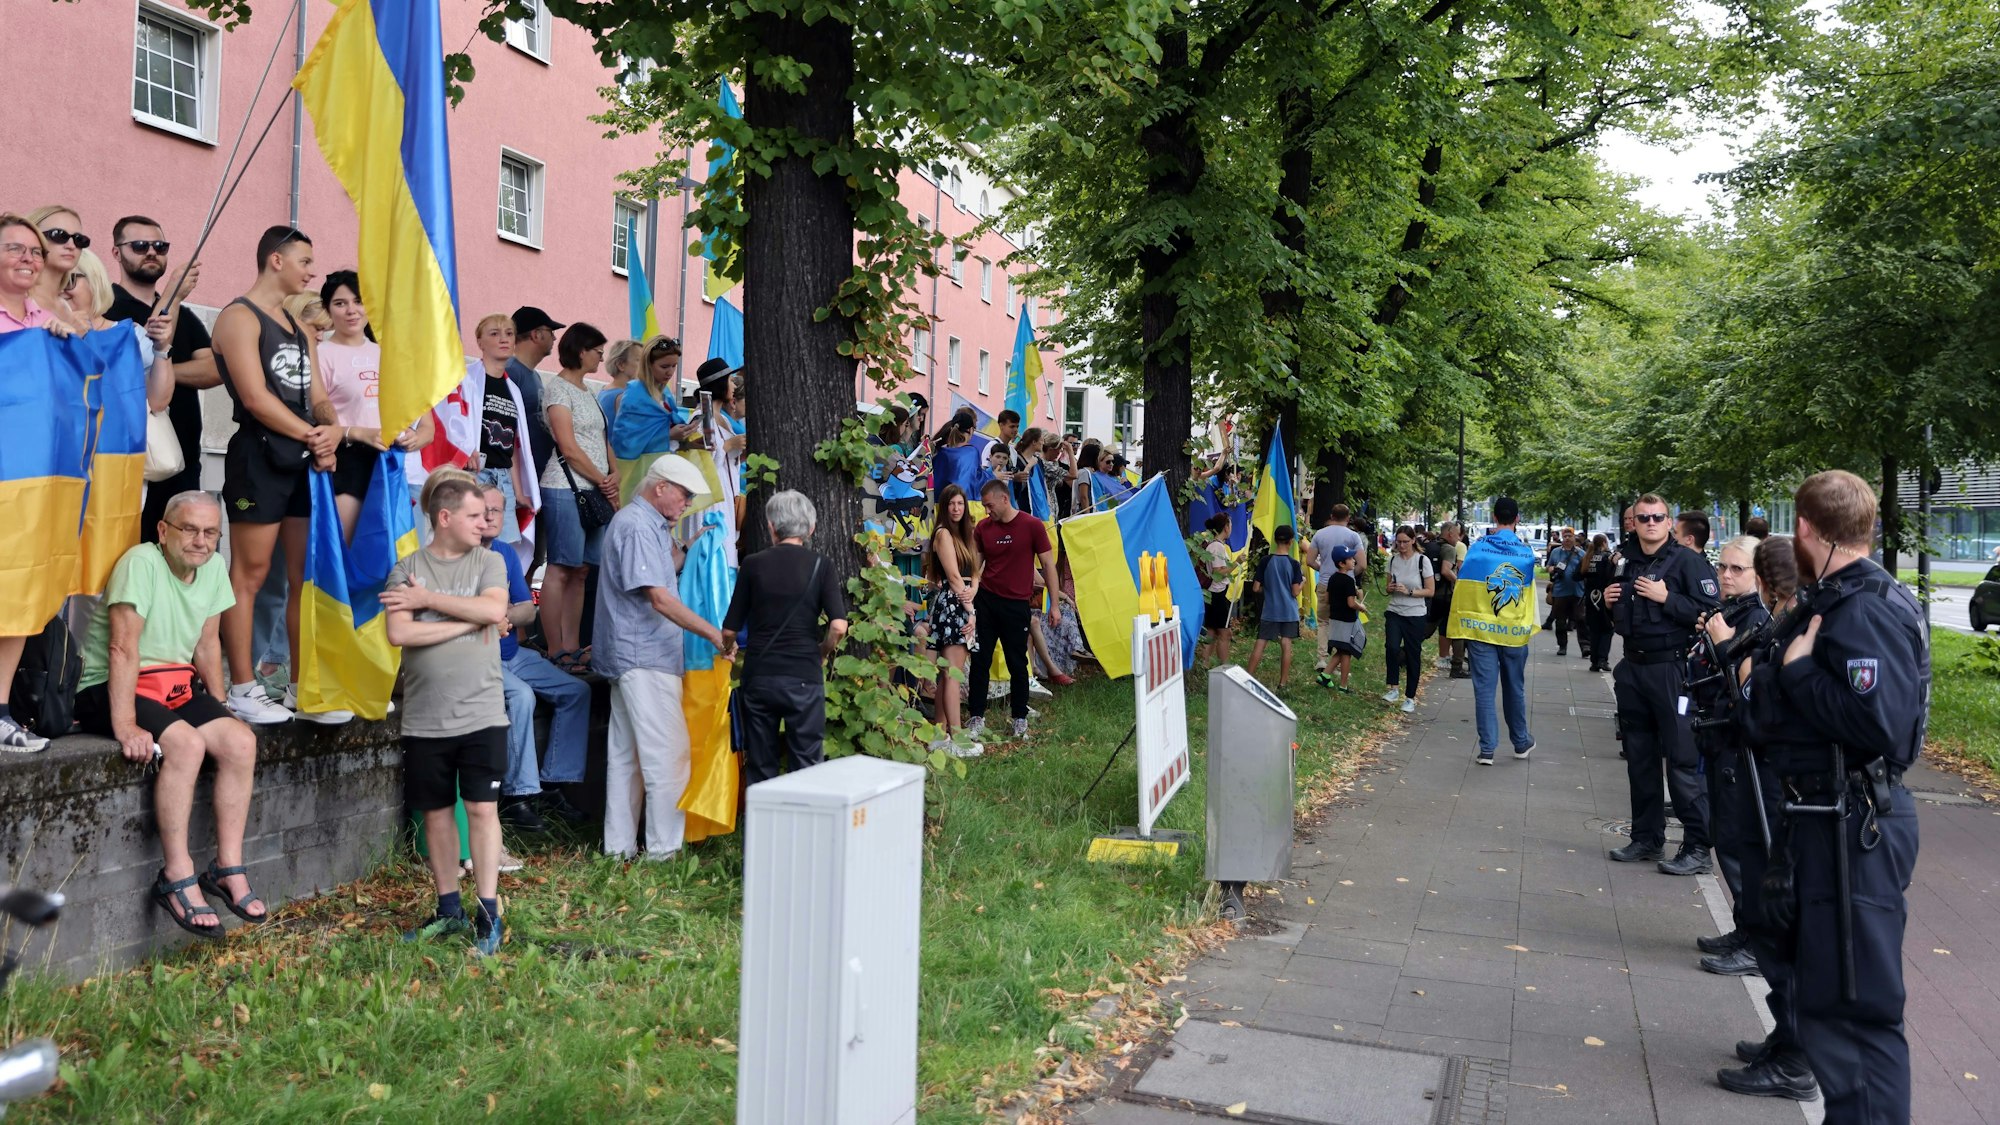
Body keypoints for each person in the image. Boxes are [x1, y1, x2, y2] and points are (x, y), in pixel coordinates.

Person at [1730, 472, 1926, 1119]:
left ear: (1808, 529)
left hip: (1855, 825)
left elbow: (1883, 726)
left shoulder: (1865, 605)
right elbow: (1768, 714)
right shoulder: (1831, 598)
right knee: (1822, 997)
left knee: (1854, 1009)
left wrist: (1799, 672)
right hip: (1821, 820)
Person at [74, 491, 266, 938]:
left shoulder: (213, 568)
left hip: (174, 686)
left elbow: (206, 646)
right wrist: (125, 726)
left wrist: (219, 709)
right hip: (111, 685)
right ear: (163, 531)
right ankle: (176, 876)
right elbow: (122, 647)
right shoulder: (141, 563)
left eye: (211, 533)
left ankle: (226, 867)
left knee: (240, 741)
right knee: (186, 743)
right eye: (190, 529)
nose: (201, 541)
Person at [210, 227, 342, 726]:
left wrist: (328, 431)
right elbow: (255, 398)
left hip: (301, 458)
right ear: (275, 260)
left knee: (302, 578)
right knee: (248, 573)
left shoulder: (299, 324)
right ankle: (242, 686)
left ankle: (299, 689)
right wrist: (314, 438)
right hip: (259, 457)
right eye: (305, 261)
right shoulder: (238, 317)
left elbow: (316, 396)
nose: (312, 271)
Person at [384, 476, 512, 956]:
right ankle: (447, 909)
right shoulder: (405, 568)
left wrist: (429, 603)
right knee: (436, 815)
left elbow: (495, 606)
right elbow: (400, 634)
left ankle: (487, 912)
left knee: (481, 809)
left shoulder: (491, 561)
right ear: (445, 518)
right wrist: (469, 620)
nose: (486, 523)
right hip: (425, 718)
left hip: (482, 713)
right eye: (477, 516)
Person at [594, 455, 728, 860]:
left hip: (634, 654)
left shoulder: (641, 523)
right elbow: (659, 597)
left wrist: (690, 543)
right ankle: (663, 852)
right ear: (661, 488)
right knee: (668, 756)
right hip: (645, 655)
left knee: (627, 759)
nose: (687, 504)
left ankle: (618, 849)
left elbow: (660, 571)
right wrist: (711, 632)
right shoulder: (637, 526)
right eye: (685, 495)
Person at [1604, 494, 1719, 873]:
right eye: (1643, 517)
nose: (1651, 523)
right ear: (1633, 522)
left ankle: (1697, 847)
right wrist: (1602, 600)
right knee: (1639, 758)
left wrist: (1668, 598)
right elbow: (1615, 612)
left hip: (1673, 671)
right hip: (1633, 668)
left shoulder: (1689, 562)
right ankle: (1646, 838)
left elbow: (1711, 614)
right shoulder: (1624, 561)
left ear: (1670, 522)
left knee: (1683, 761)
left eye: (1658, 517)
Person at [476, 484, 591, 834]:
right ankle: (518, 796)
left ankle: (555, 781)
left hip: (513, 652)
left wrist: (506, 615)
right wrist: (491, 615)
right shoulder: (463, 557)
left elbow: (527, 609)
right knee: (521, 697)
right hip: (480, 657)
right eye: (485, 510)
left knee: (578, 692)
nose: (492, 517)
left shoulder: (506, 554)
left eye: (499, 510)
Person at [1686, 535, 1775, 977]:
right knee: (1728, 839)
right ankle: (1745, 929)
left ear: (1760, 574)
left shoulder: (1756, 619)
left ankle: (1758, 944)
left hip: (1741, 745)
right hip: (1721, 737)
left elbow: (1748, 688)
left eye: (1737, 569)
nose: (1725, 574)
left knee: (1742, 847)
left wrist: (1721, 644)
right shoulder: (1732, 612)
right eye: (1722, 566)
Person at [721, 491, 848, 784]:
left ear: (771, 526)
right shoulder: (822, 565)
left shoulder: (752, 564)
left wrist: (728, 648)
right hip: (804, 675)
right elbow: (839, 626)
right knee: (805, 766)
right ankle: (803, 828)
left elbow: (729, 630)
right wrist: (823, 652)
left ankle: (762, 829)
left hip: (760, 675)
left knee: (760, 766)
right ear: (811, 528)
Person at [108, 216, 221, 547]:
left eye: (160, 246)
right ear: (116, 253)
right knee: (130, 564)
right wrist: (172, 291)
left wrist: (165, 371)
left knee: (179, 564)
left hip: (180, 460)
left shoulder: (182, 314)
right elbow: (129, 366)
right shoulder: (108, 306)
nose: (151, 253)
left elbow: (214, 370)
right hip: (130, 465)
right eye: (140, 246)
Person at [0, 216, 66, 750]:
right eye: (14, 248)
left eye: (34, 251)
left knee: (20, 591)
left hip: (35, 477)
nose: (28, 258)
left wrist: (68, 345)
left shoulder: (50, 318)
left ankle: (0, 709)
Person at [317, 270, 432, 540]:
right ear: (327, 309)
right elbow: (313, 415)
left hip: (391, 463)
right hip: (347, 462)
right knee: (349, 552)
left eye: (358, 301)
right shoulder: (321, 354)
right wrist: (355, 432)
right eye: (340, 303)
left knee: (391, 558)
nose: (351, 311)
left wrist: (419, 437)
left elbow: (423, 418)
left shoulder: (387, 354)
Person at [539, 322, 615, 671]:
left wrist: (612, 477)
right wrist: (603, 480)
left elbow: (602, 440)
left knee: (582, 570)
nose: (601, 356)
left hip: (594, 490)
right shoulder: (558, 390)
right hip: (566, 488)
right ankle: (555, 646)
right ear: (581, 350)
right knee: (561, 568)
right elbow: (568, 447)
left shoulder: (588, 392)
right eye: (597, 350)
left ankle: (573, 645)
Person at [966, 478, 1061, 740]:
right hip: (986, 601)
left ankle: (1019, 718)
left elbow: (1048, 565)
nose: (986, 511)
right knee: (980, 661)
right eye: (984, 506)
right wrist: (968, 594)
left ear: (1004, 499)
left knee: (1017, 663)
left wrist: (1054, 604)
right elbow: (976, 567)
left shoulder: (1031, 525)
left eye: (989, 505)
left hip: (1016, 604)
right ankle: (976, 717)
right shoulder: (984, 528)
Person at [1444, 496, 1537, 765]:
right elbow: (1528, 596)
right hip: (1514, 632)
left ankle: (1487, 749)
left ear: (1494, 518)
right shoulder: (1525, 553)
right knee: (1514, 687)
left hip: (1481, 630)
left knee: (1484, 690)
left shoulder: (1477, 549)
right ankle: (1520, 742)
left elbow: (1464, 585)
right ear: (1517, 519)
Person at [463, 314, 541, 558]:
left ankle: (498, 596)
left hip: (503, 478)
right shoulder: (465, 380)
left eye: (509, 333)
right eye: (494, 333)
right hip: (475, 475)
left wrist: (518, 491)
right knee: (471, 546)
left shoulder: (513, 389)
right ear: (479, 341)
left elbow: (514, 445)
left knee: (504, 551)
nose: (504, 339)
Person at [61, 249, 175, 412]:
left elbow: (157, 402)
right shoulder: (40, 332)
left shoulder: (129, 336)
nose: (59, 289)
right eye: (52, 282)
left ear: (94, 282)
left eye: (69, 280)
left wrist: (162, 349)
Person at [925, 485, 983, 755]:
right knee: (953, 675)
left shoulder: (964, 535)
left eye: (960, 504)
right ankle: (958, 740)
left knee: (948, 673)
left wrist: (975, 588)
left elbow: (974, 572)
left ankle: (939, 734)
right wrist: (971, 610)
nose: (957, 509)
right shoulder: (944, 534)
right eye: (951, 504)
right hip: (954, 605)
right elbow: (954, 577)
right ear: (944, 507)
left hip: (963, 600)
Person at [1381, 526, 1435, 713]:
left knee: (1413, 655)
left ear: (1413, 541)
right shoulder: (1393, 560)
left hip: (1415, 614)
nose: (1401, 545)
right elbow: (1387, 586)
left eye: (1405, 541)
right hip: (1395, 611)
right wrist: (1391, 588)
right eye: (1399, 541)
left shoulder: (1422, 561)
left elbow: (1430, 590)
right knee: (1392, 647)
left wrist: (1410, 591)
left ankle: (1410, 697)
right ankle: (1393, 687)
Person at [508, 307, 562, 485]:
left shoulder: (533, 375)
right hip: (521, 477)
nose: (554, 338)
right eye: (550, 331)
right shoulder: (511, 372)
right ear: (536, 334)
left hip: (536, 473)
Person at [1307, 503, 1366, 665]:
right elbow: (1362, 564)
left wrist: (1323, 569)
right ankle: (1339, 659)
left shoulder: (1319, 534)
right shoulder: (1354, 536)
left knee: (1323, 622)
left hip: (1325, 583)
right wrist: (1349, 575)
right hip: (1346, 587)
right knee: (1341, 622)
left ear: (1331, 516)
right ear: (1348, 518)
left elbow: (1310, 561)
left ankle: (1322, 658)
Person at [1247, 527, 1304, 686]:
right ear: (1291, 542)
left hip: (1270, 610)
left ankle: (1247, 677)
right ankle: (1283, 683)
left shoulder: (1265, 561)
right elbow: (1294, 592)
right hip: (1289, 612)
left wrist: (1269, 588)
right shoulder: (1293, 564)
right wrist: (1303, 582)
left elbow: (1256, 588)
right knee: (1286, 644)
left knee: (1260, 643)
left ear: (1274, 540)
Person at [25, 205, 88, 332]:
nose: (71, 245)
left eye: (79, 239)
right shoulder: (15, 300)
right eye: (58, 235)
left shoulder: (65, 306)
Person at [1316, 544, 1362, 691]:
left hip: (1334, 618)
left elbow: (1328, 598)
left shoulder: (1332, 578)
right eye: (1350, 559)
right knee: (1346, 651)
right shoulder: (1349, 581)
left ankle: (1325, 676)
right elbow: (1351, 603)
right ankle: (1343, 686)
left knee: (1341, 649)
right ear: (1342, 563)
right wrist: (1361, 607)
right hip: (1346, 620)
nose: (1354, 560)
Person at [1428, 521, 1468, 678]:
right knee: (1455, 628)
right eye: (1457, 534)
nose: (1458, 538)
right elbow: (1446, 570)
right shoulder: (1450, 549)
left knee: (1429, 628)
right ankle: (1456, 666)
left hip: (1432, 594)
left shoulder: (1431, 546)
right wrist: (1459, 582)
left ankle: (1404, 654)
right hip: (1445, 595)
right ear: (1450, 533)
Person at [1201, 512, 1237, 664]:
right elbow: (1218, 572)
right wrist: (1236, 563)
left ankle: (1204, 663)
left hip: (1214, 594)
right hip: (1217, 594)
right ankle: (1224, 666)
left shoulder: (1215, 545)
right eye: (1230, 525)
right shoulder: (1217, 547)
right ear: (1226, 527)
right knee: (1224, 633)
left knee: (1212, 630)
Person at [1544, 528, 1585, 657]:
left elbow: (1585, 570)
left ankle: (1585, 646)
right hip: (1560, 592)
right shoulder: (1556, 552)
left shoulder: (1581, 553)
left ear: (1574, 538)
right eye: (1565, 536)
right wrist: (1553, 569)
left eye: (1570, 536)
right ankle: (1562, 646)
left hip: (1578, 591)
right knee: (1560, 621)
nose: (1567, 538)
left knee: (1581, 620)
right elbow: (1547, 567)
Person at [1580, 533, 1617, 672]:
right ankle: (1602, 659)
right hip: (1604, 597)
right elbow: (1613, 575)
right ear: (1604, 543)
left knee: (1594, 630)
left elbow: (1577, 575)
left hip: (1590, 598)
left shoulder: (1587, 557)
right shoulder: (1607, 557)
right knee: (1607, 629)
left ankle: (1594, 661)